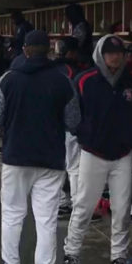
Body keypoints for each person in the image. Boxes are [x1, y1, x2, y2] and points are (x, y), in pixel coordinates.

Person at [0, 30, 80, 264]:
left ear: (25, 50)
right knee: (46, 221)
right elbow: (73, 122)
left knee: (13, 215)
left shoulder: (8, 79)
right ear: (48, 50)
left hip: (16, 157)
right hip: (50, 159)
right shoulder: (63, 81)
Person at [63, 35, 132, 264]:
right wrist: (83, 133)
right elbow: (72, 112)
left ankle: (119, 257)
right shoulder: (85, 80)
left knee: (122, 209)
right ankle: (71, 253)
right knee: (84, 206)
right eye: (110, 52)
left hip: (122, 154)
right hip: (93, 153)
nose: (115, 57)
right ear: (100, 54)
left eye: (119, 52)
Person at [54, 37, 81, 218]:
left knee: (58, 166)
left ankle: (62, 202)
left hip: (50, 126)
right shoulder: (72, 70)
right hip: (67, 126)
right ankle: (77, 206)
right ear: (70, 52)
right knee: (74, 167)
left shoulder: (48, 69)